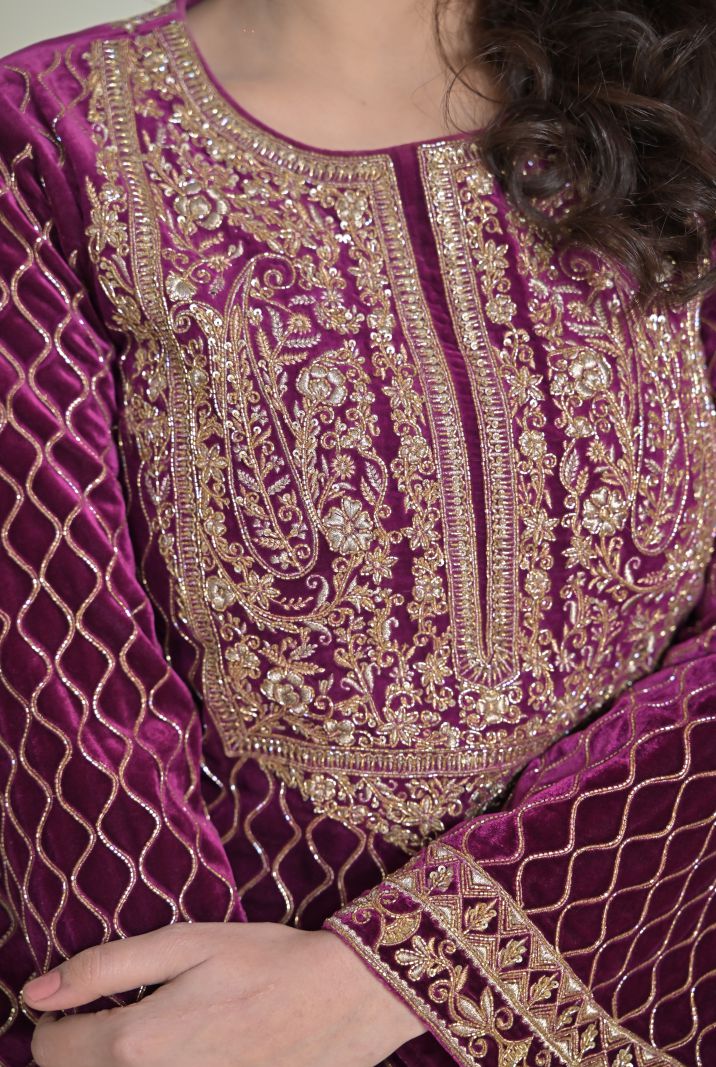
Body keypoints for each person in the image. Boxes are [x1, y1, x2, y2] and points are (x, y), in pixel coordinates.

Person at [1, 0, 715, 1064]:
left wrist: (401, 967)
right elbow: (59, 675)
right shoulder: (50, 137)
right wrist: (188, 1026)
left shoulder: (672, 97)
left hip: (650, 975)